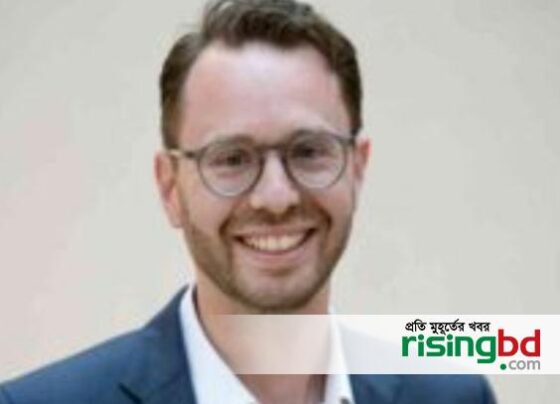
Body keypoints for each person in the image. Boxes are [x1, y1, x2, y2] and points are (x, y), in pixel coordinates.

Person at [0, 0, 496, 403]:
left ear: (357, 168)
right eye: (232, 159)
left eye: (309, 151)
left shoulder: (453, 397)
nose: (276, 198)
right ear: (170, 187)